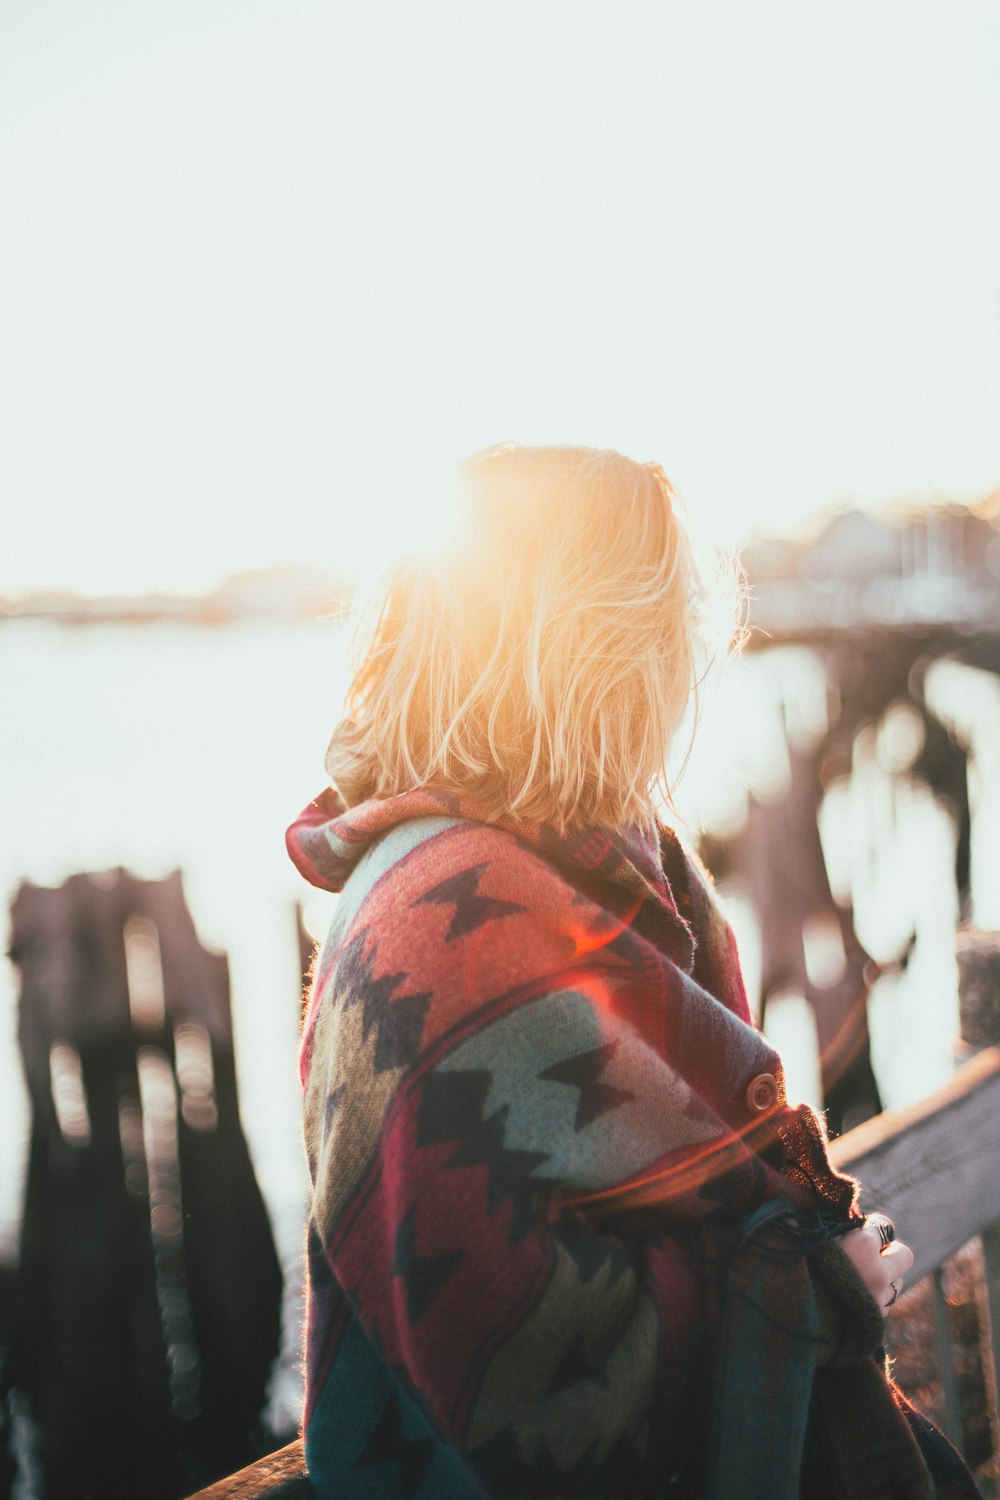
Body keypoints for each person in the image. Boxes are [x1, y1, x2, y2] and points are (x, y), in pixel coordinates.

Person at [287, 445, 978, 1499]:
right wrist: (817, 1282)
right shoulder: (453, 921)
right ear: (590, 646)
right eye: (667, 625)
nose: (685, 658)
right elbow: (530, 1375)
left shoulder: (600, 864)